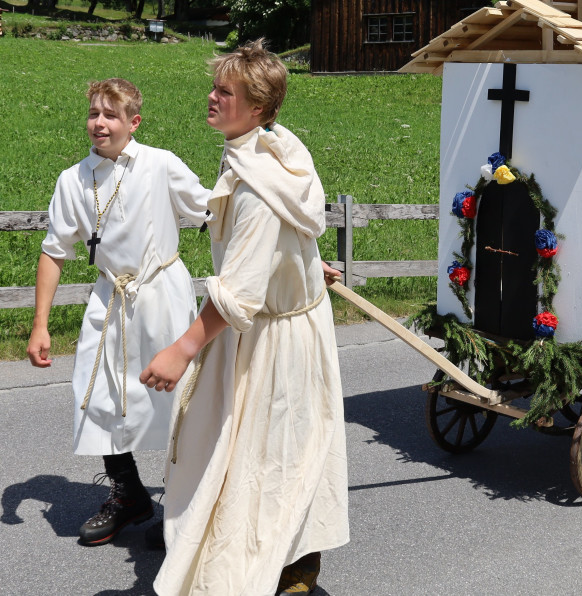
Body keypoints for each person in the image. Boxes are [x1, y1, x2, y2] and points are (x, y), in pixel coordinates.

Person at [141, 41, 349, 596]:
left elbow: (239, 291)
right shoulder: (274, 148)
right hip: (288, 322)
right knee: (278, 449)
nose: (212, 97)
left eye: (225, 91)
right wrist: (303, 265)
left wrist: (183, 347)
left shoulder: (258, 185)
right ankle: (286, 563)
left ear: (258, 107)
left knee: (266, 457)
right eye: (215, 86)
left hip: (273, 340)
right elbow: (291, 227)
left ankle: (271, 571)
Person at [28, 78, 210, 545]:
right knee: (101, 398)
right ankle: (129, 495)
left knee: (178, 403)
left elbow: (216, 213)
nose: (99, 123)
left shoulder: (160, 164)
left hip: (161, 294)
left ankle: (185, 511)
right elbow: (54, 252)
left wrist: (295, 253)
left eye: (111, 114)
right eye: (93, 113)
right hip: (110, 298)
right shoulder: (73, 179)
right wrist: (40, 325)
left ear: (134, 122)